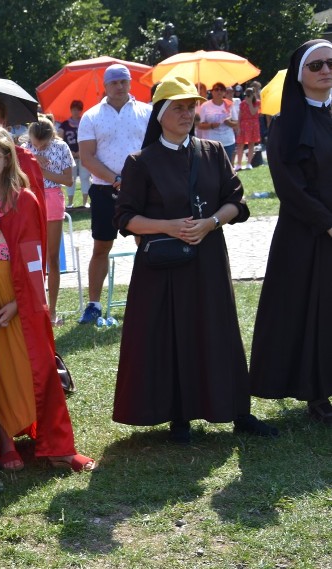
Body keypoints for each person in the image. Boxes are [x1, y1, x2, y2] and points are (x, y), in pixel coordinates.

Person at [112, 76, 277, 443]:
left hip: (208, 261)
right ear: (160, 114)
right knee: (173, 334)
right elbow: (125, 218)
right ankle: (179, 415)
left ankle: (236, 409)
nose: (187, 114)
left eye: (191, 107)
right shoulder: (141, 162)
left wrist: (211, 222)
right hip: (163, 269)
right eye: (178, 108)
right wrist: (168, 226)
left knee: (216, 330)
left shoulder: (213, 152)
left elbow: (237, 202)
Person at [0, 124, 96, 472]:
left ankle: (54, 441)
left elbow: (36, 260)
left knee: (32, 365)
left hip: (19, 293)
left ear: (8, 158)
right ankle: (5, 441)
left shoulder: (25, 200)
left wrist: (20, 302)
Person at [249, 39, 332, 424]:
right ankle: (316, 393)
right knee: (311, 312)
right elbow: (288, 183)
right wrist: (326, 221)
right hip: (306, 235)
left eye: (331, 63)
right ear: (300, 76)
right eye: (316, 66)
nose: (326, 70)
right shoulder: (286, 124)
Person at [77, 63, 151, 324]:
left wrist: (134, 180)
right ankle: (94, 304)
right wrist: (117, 179)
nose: (119, 86)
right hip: (103, 189)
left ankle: (149, 299)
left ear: (130, 83)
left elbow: (154, 151)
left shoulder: (147, 112)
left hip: (142, 190)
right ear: (105, 86)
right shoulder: (92, 116)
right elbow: (87, 157)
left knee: (145, 244)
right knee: (101, 247)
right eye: (114, 82)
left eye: (124, 81)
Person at [22, 119, 74, 324]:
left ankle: (52, 311)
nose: (39, 147)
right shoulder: (24, 149)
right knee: (33, 257)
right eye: (36, 144)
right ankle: (34, 308)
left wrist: (43, 171)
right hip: (29, 199)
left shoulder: (61, 147)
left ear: (51, 137)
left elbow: (69, 180)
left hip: (52, 199)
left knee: (52, 258)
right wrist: (32, 159)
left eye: (43, 145)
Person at [58, 100, 91, 208]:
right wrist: (68, 151)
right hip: (69, 155)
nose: (75, 112)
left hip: (84, 155)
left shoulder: (85, 122)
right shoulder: (65, 124)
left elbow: (90, 138)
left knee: (85, 177)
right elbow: (60, 139)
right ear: (71, 110)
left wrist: (82, 151)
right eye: (73, 110)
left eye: (78, 110)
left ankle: (85, 202)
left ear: (81, 111)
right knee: (70, 178)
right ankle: (70, 202)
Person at [235, 87, 261, 170]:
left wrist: (250, 103)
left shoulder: (257, 103)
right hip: (243, 125)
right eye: (246, 95)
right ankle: (239, 164)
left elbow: (253, 112)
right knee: (240, 144)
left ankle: (249, 163)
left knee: (251, 144)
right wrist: (238, 127)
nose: (247, 97)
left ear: (253, 95)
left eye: (249, 95)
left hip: (253, 125)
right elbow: (239, 116)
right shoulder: (242, 103)